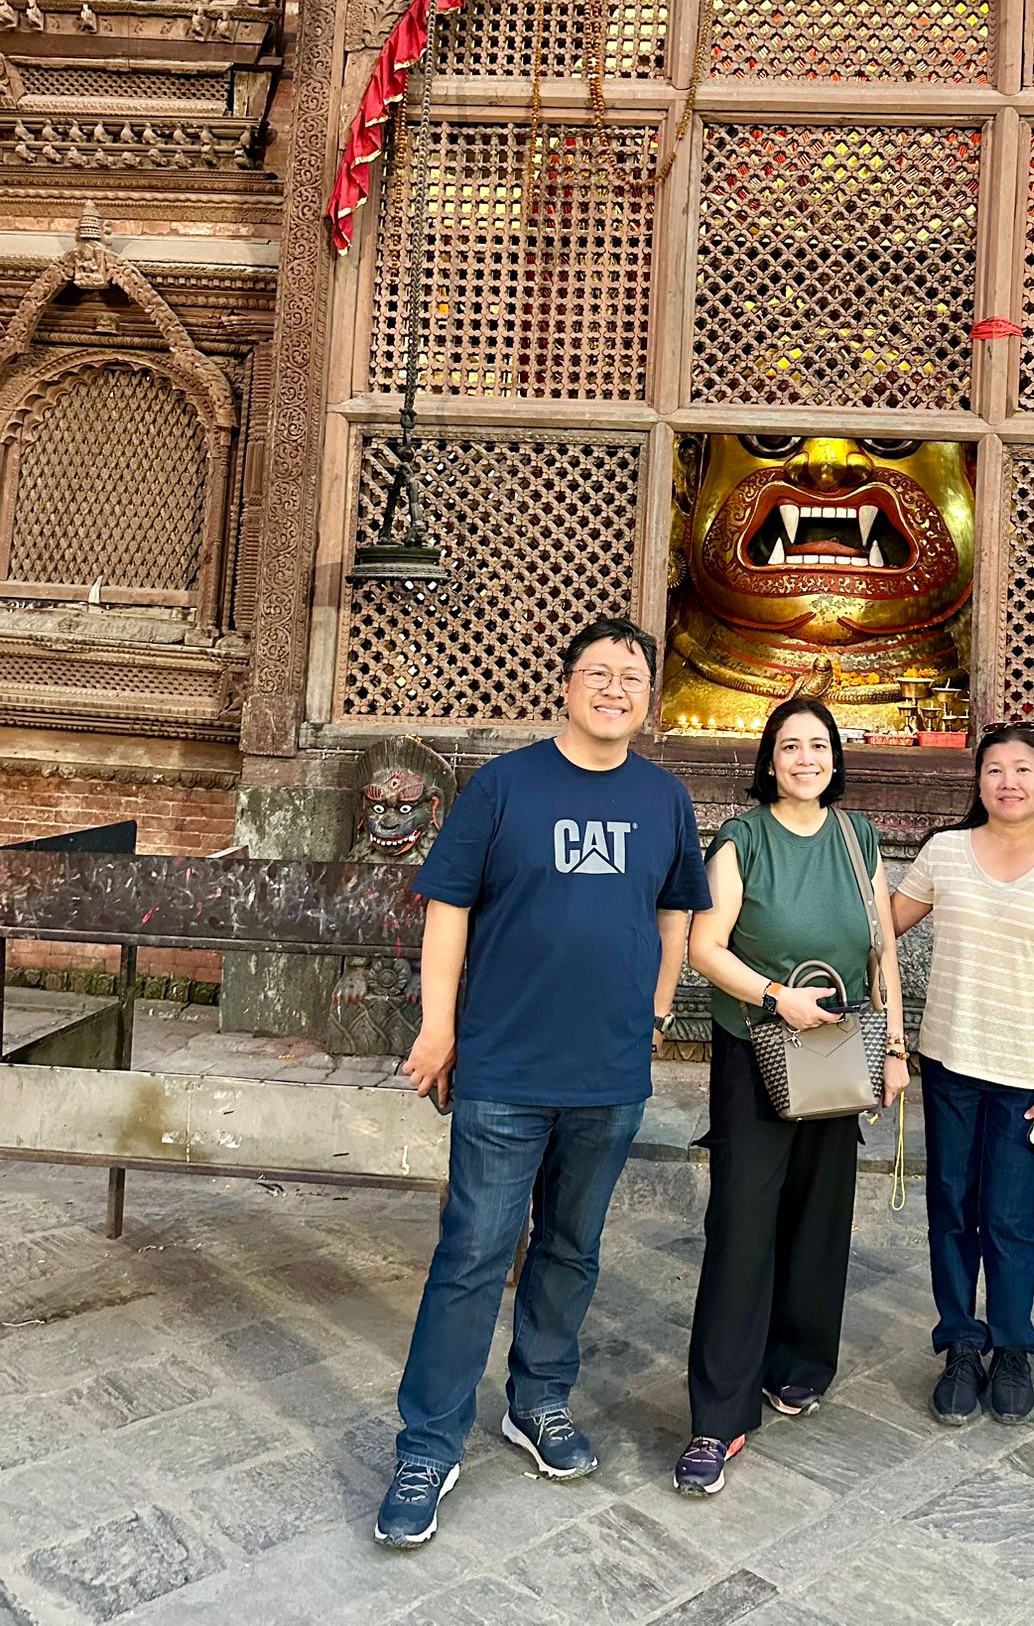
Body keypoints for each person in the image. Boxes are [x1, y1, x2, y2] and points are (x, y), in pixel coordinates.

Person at [374, 616, 710, 1548]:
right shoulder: (504, 787)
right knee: (474, 1251)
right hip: (506, 1066)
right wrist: (439, 1030)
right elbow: (449, 910)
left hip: (608, 1071)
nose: (615, 689)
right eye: (597, 673)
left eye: (631, 677)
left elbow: (679, 905)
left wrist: (657, 1003)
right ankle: (428, 1444)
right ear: (564, 686)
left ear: (649, 699)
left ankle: (539, 1400)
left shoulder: (663, 797)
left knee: (570, 1247)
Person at [671, 697, 909, 1497]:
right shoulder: (743, 840)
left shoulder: (857, 838)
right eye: (790, 747)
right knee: (743, 1220)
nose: (806, 758)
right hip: (759, 1050)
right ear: (768, 760)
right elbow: (705, 948)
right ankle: (719, 1415)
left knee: (820, 1210)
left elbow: (882, 954)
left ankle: (801, 1362)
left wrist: (897, 1050)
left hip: (840, 1048)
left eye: (819, 746)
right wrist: (776, 997)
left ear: (835, 759)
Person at [890, 723, 1034, 1427]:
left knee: (1009, 1218)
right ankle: (960, 1343)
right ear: (977, 782)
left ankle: (1012, 1345)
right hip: (951, 1062)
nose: (1007, 782)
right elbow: (880, 925)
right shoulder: (944, 854)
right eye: (994, 770)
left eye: (1022, 769)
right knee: (951, 1208)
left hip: (1030, 1077)